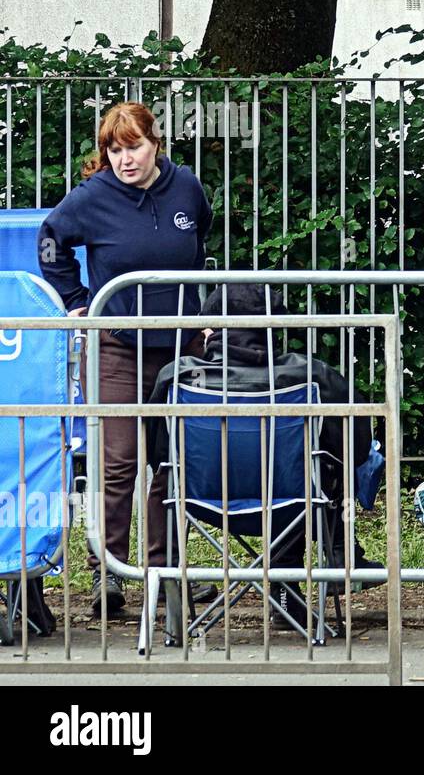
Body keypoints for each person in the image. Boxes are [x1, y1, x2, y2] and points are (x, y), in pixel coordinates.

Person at [37, 101, 211, 616]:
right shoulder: (90, 198)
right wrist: (75, 302)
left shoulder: (187, 188)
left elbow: (198, 244)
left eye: (133, 147)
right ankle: (108, 576)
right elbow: (51, 242)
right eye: (115, 150)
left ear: (155, 143)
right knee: (117, 463)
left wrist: (198, 310)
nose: (125, 159)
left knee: (170, 464)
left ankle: (164, 573)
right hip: (115, 347)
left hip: (181, 348)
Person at [145, 285, 381, 626]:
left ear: (209, 330)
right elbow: (358, 447)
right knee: (322, 461)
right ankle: (338, 557)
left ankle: (173, 609)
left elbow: (157, 452)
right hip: (294, 505)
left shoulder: (178, 378)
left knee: (171, 472)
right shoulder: (309, 375)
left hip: (201, 503)